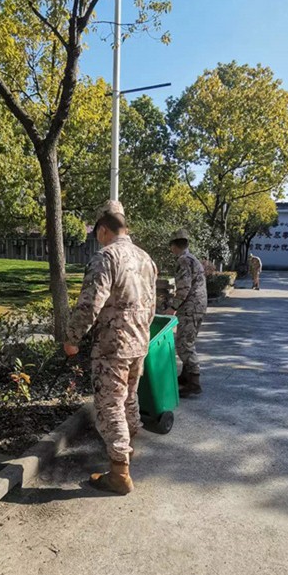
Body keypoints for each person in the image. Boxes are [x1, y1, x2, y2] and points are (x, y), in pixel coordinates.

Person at [64, 200, 157, 495]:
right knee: (129, 397)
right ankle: (128, 450)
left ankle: (119, 474)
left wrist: (72, 338)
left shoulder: (106, 257)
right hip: (139, 342)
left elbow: (90, 304)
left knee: (109, 404)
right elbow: (153, 306)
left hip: (112, 347)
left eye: (96, 234)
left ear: (103, 230)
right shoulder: (146, 258)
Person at [164, 229, 207, 397]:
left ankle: (194, 382)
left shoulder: (183, 260)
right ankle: (186, 376)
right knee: (188, 339)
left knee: (183, 343)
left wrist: (172, 307)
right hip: (198, 305)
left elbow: (183, 288)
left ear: (174, 246)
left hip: (190, 307)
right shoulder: (192, 259)